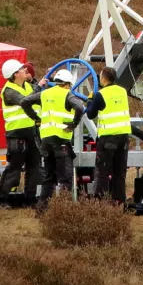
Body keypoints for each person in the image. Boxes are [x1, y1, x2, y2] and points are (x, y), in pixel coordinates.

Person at [84, 66, 143, 204]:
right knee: (119, 174)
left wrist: (90, 99)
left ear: (103, 78)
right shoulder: (122, 92)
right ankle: (119, 202)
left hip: (107, 139)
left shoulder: (100, 95)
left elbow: (90, 114)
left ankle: (101, 204)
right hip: (123, 139)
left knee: (102, 173)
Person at [20, 68, 85, 212]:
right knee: (65, 178)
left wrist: (36, 118)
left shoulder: (44, 94)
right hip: (61, 141)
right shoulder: (67, 94)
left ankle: (41, 210)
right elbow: (80, 107)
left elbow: (25, 101)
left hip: (46, 142)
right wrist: (73, 124)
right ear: (68, 84)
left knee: (49, 177)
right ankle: (64, 211)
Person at [0, 58, 42, 208]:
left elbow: (35, 95)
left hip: (32, 133)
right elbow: (25, 101)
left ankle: (30, 200)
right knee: (14, 169)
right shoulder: (9, 92)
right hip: (16, 135)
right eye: (21, 69)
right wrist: (40, 90)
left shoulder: (27, 86)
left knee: (35, 168)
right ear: (15, 75)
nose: (24, 70)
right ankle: (1, 200)